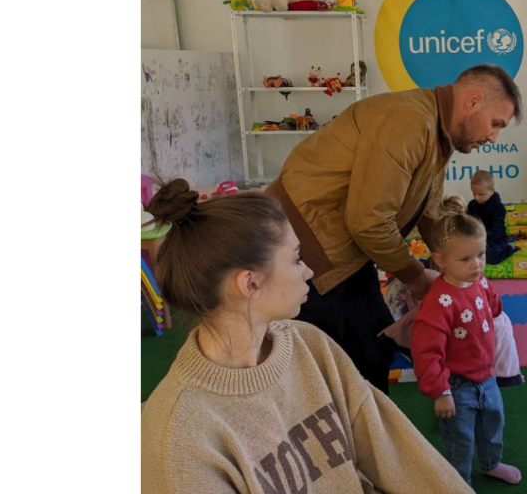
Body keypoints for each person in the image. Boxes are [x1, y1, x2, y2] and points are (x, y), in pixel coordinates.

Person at [141, 179, 473, 493]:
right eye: (297, 259)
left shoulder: (308, 343)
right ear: (250, 283)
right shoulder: (177, 435)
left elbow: (396, 449)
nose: (309, 271)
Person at [265, 64, 522, 392]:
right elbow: (369, 222)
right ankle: (356, 435)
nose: (493, 136)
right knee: (327, 369)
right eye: (496, 123)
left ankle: (376, 430)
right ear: (473, 101)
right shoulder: (410, 121)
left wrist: (458, 258)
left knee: (376, 344)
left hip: (343, 252)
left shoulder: (436, 130)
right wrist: (415, 276)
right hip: (303, 255)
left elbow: (429, 214)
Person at [411, 211, 523, 486]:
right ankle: (459, 483)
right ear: (440, 260)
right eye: (465, 259)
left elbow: (493, 305)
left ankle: (491, 463)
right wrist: (440, 392)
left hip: (487, 377)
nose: (477, 265)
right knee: (461, 441)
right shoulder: (438, 303)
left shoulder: (480, 281)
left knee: (493, 427)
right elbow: (427, 353)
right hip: (457, 386)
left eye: (481, 255)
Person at [467, 170, 517, 265]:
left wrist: (483, 238)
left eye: (481, 194)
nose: (477, 197)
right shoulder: (472, 205)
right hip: (476, 239)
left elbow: (497, 229)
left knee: (491, 256)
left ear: (492, 191)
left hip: (495, 239)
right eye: (474, 193)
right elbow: (470, 224)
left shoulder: (498, 207)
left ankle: (509, 248)